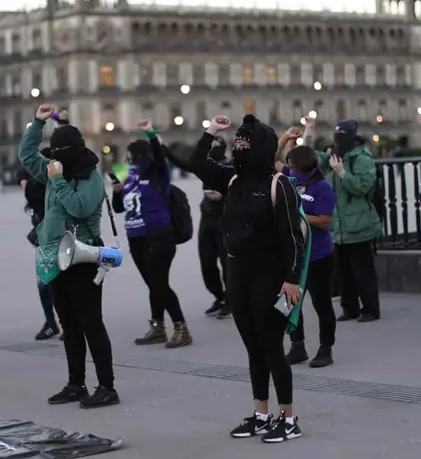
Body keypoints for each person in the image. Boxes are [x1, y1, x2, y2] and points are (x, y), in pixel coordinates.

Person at [189, 114, 306, 443]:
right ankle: (260, 414)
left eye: (244, 144)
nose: (238, 149)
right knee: (253, 348)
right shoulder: (233, 179)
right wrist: (210, 130)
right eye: (237, 143)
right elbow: (198, 163)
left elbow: (291, 237)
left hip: (270, 276)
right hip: (237, 272)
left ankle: (288, 417)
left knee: (271, 347)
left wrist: (292, 279)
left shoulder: (278, 184)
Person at [19, 103, 119, 408]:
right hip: (55, 257)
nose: (55, 158)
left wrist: (59, 180)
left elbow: (80, 207)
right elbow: (26, 156)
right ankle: (76, 383)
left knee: (91, 323)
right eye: (54, 152)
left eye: (61, 152)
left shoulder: (91, 177)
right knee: (69, 324)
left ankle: (106, 386)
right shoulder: (52, 168)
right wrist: (37, 125)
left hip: (84, 256)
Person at [113, 120, 191, 348]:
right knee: (154, 284)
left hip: (159, 235)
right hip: (135, 237)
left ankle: (181, 328)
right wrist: (117, 192)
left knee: (159, 284)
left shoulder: (158, 173)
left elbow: (158, 154)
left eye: (130, 157)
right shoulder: (124, 175)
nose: (127, 161)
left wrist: (151, 135)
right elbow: (119, 208)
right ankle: (158, 327)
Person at [305, 118, 383, 321]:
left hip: (358, 223)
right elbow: (307, 158)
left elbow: (364, 187)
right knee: (343, 270)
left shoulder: (362, 158)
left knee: (362, 269)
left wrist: (342, 174)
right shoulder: (333, 157)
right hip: (338, 226)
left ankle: (370, 309)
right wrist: (308, 134)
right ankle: (350, 308)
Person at [275, 130, 337, 368]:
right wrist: (285, 139)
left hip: (319, 255)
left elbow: (324, 220)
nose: (288, 167)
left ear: (303, 166)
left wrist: (299, 216)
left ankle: (326, 347)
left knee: (322, 304)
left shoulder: (322, 188)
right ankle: (297, 345)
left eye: (292, 165)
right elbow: (273, 160)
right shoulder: (292, 177)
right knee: (289, 301)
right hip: (293, 255)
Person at [165, 137, 232, 318]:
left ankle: (230, 300)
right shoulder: (205, 166)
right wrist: (159, 143)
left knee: (227, 264)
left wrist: (223, 196)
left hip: (225, 220)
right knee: (207, 262)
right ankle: (218, 296)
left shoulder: (230, 167)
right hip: (207, 219)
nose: (212, 149)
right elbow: (180, 163)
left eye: (216, 146)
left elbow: (242, 191)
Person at [18, 161, 60, 341]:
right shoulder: (40, 176)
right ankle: (52, 322)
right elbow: (21, 169)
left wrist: (26, 185)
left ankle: (60, 322)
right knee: (46, 281)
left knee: (53, 281)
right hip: (44, 235)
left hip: (55, 234)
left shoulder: (50, 182)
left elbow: (35, 199)